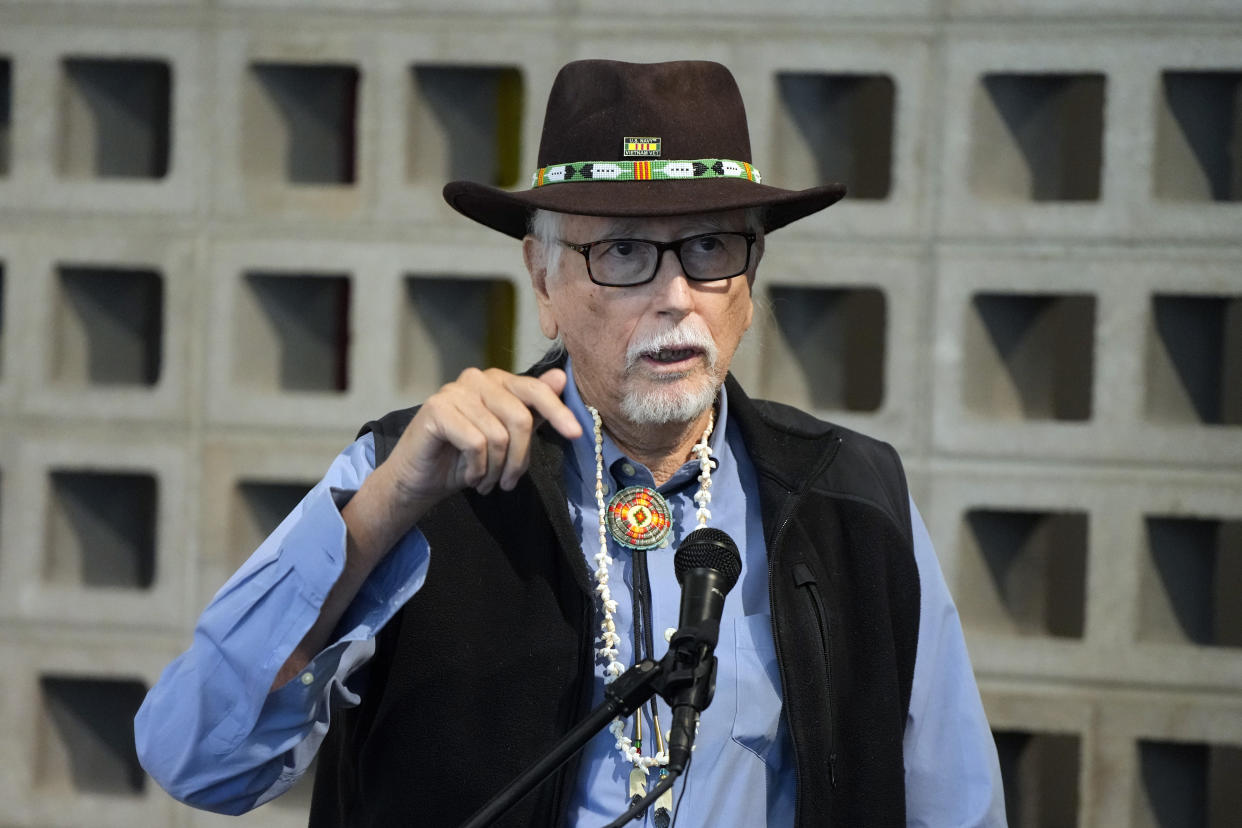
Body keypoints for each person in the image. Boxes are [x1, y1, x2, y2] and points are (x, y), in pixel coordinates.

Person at [135, 59, 1006, 827]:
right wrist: (387, 509)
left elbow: (953, 807)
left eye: (709, 248)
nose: (675, 297)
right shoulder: (412, 475)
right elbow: (197, 761)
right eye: (624, 251)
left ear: (749, 282)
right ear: (543, 282)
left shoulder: (851, 494)